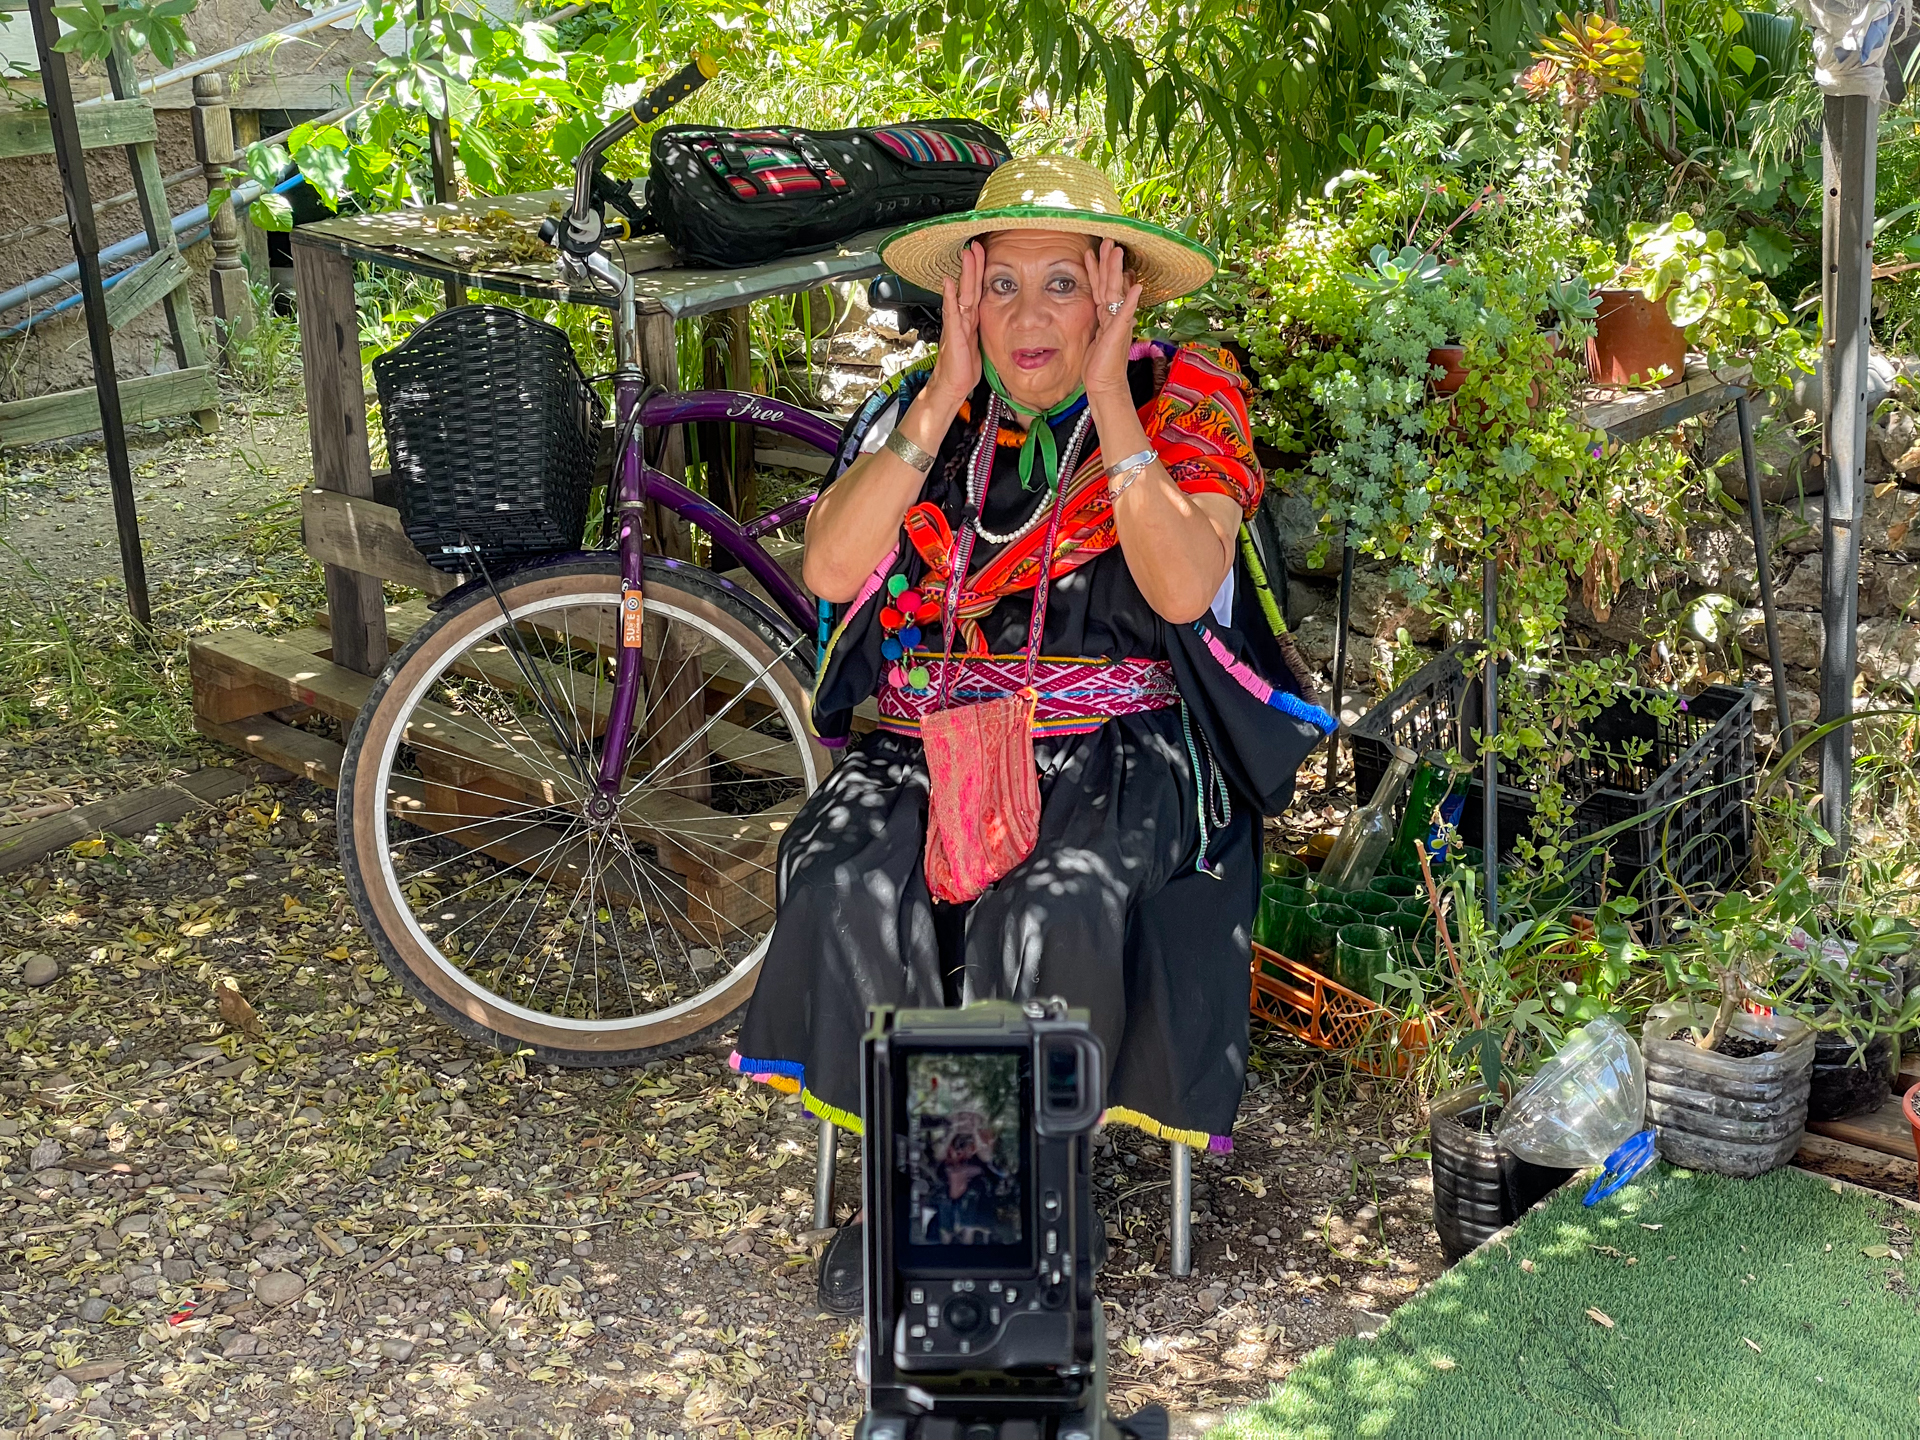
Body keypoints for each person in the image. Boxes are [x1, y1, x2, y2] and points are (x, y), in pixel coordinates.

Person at [730, 155, 1335, 1312]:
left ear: (1120, 295)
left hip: (1121, 762)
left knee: (1043, 909)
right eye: (1001, 287)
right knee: (843, 874)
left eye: (1064, 284)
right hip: (930, 750)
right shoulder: (930, 414)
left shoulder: (1186, 403)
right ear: (964, 298)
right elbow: (833, 565)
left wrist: (1112, 403)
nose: (1028, 315)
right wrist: (941, 394)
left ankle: (1004, 1220)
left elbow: (1177, 586)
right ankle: (934, 1198)